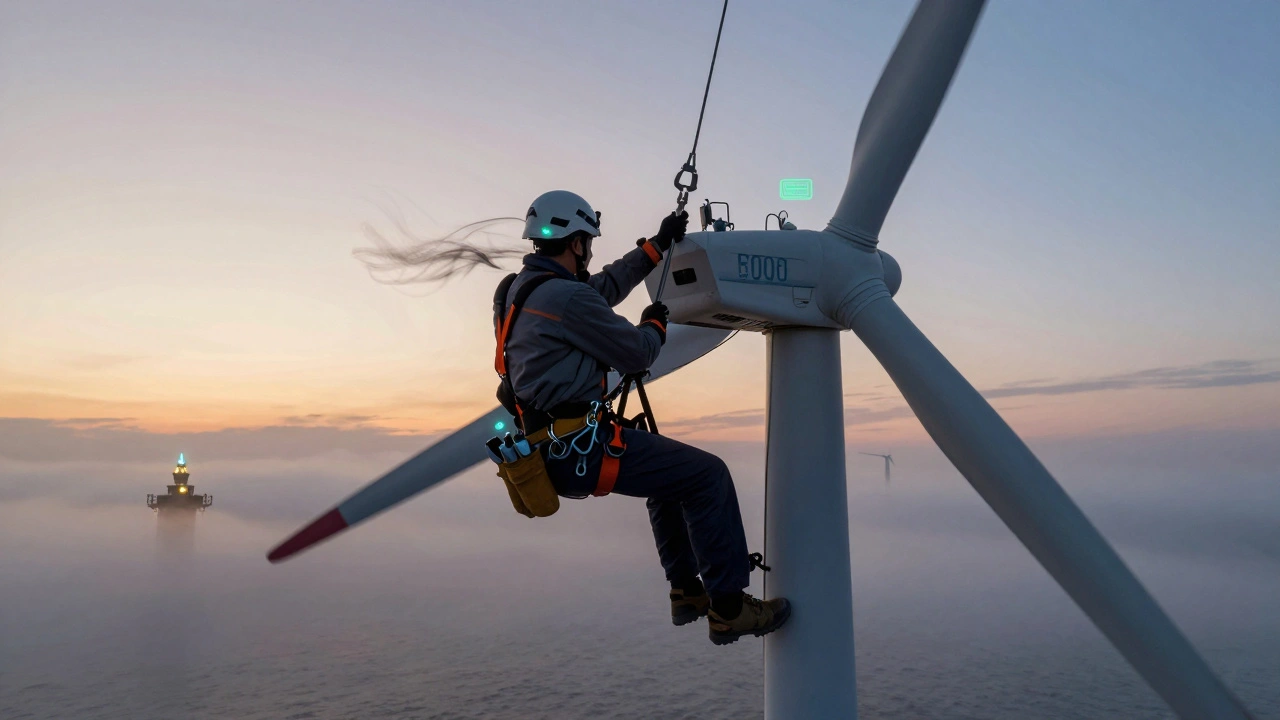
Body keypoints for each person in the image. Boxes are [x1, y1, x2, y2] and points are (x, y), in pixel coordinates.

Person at [493, 189, 790, 646]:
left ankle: (686, 590)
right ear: (577, 243)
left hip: (549, 446)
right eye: (588, 243)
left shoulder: (523, 289)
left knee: (669, 479)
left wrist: (656, 246)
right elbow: (636, 354)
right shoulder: (566, 298)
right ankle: (729, 608)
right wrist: (654, 324)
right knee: (707, 476)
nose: (590, 252)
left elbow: (602, 289)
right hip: (581, 452)